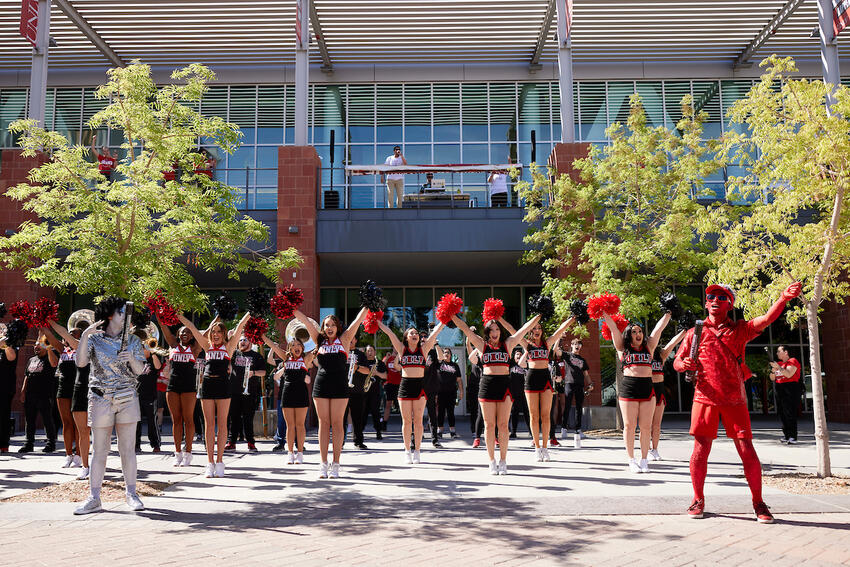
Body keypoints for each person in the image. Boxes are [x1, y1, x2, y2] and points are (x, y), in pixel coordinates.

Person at [674, 282, 802, 523]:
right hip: (704, 397)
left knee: (746, 450)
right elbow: (677, 361)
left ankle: (758, 503)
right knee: (700, 450)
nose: (714, 300)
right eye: (711, 296)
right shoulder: (695, 332)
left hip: (734, 399)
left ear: (730, 304)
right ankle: (697, 498)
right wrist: (683, 365)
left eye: (721, 297)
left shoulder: (741, 329)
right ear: (705, 302)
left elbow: (765, 319)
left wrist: (783, 299)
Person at [74, 297, 148, 515]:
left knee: (127, 449)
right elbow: (80, 363)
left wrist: (131, 359)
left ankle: (132, 494)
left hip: (127, 397)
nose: (125, 315)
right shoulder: (95, 339)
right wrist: (85, 336)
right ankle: (94, 497)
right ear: (109, 315)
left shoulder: (133, 340)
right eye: (121, 311)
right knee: (99, 450)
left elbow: (140, 370)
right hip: (100, 398)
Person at [452, 313, 541, 475]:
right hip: (486, 385)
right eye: (492, 329)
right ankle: (491, 461)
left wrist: (538, 315)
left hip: (504, 386)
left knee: (503, 426)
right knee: (489, 425)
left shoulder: (508, 344)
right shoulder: (482, 345)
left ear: (500, 331)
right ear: (487, 332)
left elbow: (524, 329)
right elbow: (464, 328)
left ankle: (503, 460)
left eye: (497, 329)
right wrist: (451, 315)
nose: (495, 332)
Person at [293, 308, 367, 479]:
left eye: (333, 325)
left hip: (340, 385)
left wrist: (367, 305)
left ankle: (336, 463)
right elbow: (304, 320)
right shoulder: (319, 340)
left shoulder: (345, 339)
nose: (330, 327)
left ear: (338, 327)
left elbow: (358, 319)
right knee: (323, 423)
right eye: (327, 325)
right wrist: (290, 305)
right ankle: (323, 463)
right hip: (321, 385)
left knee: (337, 423)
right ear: (323, 328)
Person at [178, 311, 250, 479]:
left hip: (224, 386)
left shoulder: (229, 347)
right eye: (213, 332)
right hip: (207, 386)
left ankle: (219, 462)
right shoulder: (206, 345)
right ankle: (209, 463)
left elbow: (240, 327)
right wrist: (178, 315)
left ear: (224, 334)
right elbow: (192, 328)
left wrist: (249, 314)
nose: (216, 335)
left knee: (223, 424)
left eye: (219, 332)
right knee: (209, 425)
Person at [601, 310, 671, 474]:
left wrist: (668, 313)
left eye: (640, 331)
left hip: (647, 388)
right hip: (629, 388)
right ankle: (631, 460)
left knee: (646, 427)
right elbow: (613, 328)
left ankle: (644, 459)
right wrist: (604, 313)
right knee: (629, 426)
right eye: (634, 332)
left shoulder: (649, 347)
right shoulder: (622, 348)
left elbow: (658, 329)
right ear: (628, 335)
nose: (638, 334)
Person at [376, 320, 445, 464]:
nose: (415, 334)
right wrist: (376, 320)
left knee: (418, 421)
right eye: (411, 333)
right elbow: (390, 333)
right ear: (406, 337)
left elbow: (436, 332)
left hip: (420, 386)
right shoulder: (402, 350)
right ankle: (407, 450)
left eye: (416, 333)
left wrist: (445, 318)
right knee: (407, 421)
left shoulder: (424, 349)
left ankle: (418, 451)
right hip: (405, 386)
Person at [522, 316, 575, 460]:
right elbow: (513, 331)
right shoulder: (526, 344)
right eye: (534, 328)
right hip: (531, 379)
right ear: (530, 331)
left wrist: (572, 318)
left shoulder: (547, 343)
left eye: (539, 328)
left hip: (545, 378)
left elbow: (560, 330)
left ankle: (545, 448)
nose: (537, 330)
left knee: (546, 415)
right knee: (534, 415)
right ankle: (537, 448)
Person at [265, 335, 314, 464]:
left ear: (302, 347)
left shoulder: (306, 359)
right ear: (289, 349)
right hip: (287, 394)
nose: (296, 347)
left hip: (301, 394)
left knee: (300, 425)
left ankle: (300, 453)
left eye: (298, 345)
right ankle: (290, 453)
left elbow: (318, 348)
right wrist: (261, 335)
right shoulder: (285, 359)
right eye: (293, 345)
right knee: (290, 425)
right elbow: (272, 346)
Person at [160, 324, 203, 467]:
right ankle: (177, 453)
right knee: (176, 420)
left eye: (188, 332)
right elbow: (164, 328)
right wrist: (157, 312)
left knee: (188, 419)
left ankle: (188, 453)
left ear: (192, 336)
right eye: (183, 331)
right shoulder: (173, 345)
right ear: (178, 334)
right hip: (172, 386)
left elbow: (205, 333)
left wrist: (218, 316)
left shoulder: (195, 348)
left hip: (189, 387)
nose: (185, 333)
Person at [41, 323, 81, 467]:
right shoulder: (62, 349)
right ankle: (68, 454)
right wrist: (42, 321)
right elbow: (50, 336)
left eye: (74, 333)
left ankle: (79, 455)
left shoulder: (83, 349)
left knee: (78, 424)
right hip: (63, 388)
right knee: (66, 423)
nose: (69, 335)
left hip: (79, 388)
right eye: (68, 333)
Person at [648, 329, 687, 461]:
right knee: (646, 424)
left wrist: (684, 331)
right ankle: (646, 449)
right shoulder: (643, 354)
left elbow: (673, 342)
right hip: (647, 390)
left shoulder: (661, 355)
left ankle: (655, 449)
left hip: (659, 389)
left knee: (657, 424)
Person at [18, 337, 58, 453]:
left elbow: (54, 363)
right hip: (30, 395)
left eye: (39, 345)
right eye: (35, 345)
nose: (36, 347)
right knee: (29, 420)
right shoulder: (31, 359)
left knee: (47, 420)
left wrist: (49, 347)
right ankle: (28, 443)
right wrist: (23, 391)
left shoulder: (50, 357)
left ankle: (51, 443)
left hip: (44, 395)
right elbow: (26, 375)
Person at [226, 335, 266, 452]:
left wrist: (253, 373)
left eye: (245, 340)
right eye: (241, 340)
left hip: (250, 392)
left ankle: (251, 443)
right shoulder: (234, 354)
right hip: (234, 391)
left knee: (248, 419)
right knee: (234, 418)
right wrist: (230, 337)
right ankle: (231, 442)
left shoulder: (257, 356)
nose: (242, 342)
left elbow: (263, 372)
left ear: (250, 342)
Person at [558, 338, 593, 442]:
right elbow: (556, 351)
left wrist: (590, 383)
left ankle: (578, 430)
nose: (577, 346)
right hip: (569, 383)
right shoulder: (567, 355)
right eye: (575, 344)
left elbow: (586, 374)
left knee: (579, 407)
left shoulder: (582, 360)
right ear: (572, 345)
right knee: (567, 406)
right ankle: (564, 428)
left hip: (580, 385)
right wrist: (558, 337)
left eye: (579, 344)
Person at [134, 335, 162, 453]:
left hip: (150, 394)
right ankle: (136, 445)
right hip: (136, 394)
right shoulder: (137, 358)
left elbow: (158, 367)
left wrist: (153, 352)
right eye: (142, 346)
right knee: (136, 422)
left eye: (145, 346)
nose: (143, 348)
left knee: (152, 421)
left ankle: (155, 444)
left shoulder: (153, 358)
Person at [770, 345, 803, 444]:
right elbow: (772, 378)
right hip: (780, 389)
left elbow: (789, 374)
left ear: (786, 352)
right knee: (782, 413)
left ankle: (793, 436)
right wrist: (773, 371)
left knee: (790, 412)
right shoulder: (779, 364)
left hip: (791, 388)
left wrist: (778, 367)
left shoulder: (792, 361)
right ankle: (786, 435)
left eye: (779, 351)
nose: (777, 353)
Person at [436, 347, 463, 439]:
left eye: (448, 352)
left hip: (452, 393)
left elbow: (459, 380)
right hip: (440, 392)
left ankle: (452, 431)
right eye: (444, 352)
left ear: (451, 355)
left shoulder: (455, 366)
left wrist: (461, 391)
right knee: (441, 412)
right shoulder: (439, 365)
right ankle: (440, 431)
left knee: (451, 412)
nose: (446, 354)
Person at [364, 345, 387, 440]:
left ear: (375, 352)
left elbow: (385, 376)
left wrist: (376, 373)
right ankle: (359, 434)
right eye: (368, 351)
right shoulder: (363, 362)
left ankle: (378, 432)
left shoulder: (380, 363)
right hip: (364, 391)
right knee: (363, 413)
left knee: (376, 413)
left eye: (372, 350)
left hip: (375, 391)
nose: (370, 352)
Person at [508, 347, 529, 440]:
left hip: (524, 393)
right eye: (517, 355)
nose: (519, 356)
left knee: (527, 413)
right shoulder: (510, 365)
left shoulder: (526, 365)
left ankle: (532, 432)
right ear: (514, 356)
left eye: (520, 355)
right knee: (514, 412)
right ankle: (513, 432)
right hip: (513, 393)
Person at [382, 350, 401, 431]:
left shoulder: (401, 357)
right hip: (390, 384)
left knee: (402, 405)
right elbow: (381, 366)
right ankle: (384, 424)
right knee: (388, 404)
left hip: (400, 384)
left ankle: (407, 424)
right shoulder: (388, 357)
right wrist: (387, 358)